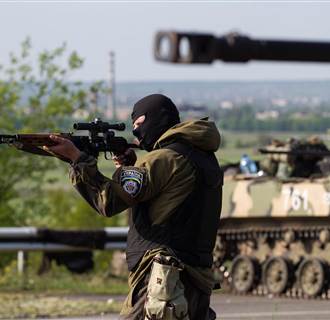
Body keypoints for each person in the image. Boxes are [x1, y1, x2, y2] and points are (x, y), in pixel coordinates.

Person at [44, 94, 223, 320]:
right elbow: (166, 201)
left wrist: (77, 159)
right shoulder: (199, 155)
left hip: (164, 278)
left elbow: (108, 201)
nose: (137, 132)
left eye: (139, 124)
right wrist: (130, 167)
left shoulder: (164, 159)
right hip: (195, 277)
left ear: (157, 119)